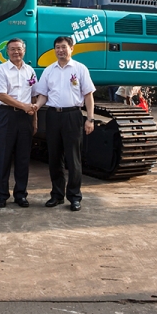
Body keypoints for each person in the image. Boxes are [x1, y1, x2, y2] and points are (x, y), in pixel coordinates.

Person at [33, 36, 95, 212]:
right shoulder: (49, 70)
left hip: (72, 115)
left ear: (71, 48)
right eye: (57, 47)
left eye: (63, 47)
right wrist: (36, 107)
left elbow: (88, 95)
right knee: (54, 157)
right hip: (53, 116)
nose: (60, 50)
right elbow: (43, 94)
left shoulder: (80, 69)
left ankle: (74, 197)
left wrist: (90, 119)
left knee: (73, 158)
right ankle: (57, 195)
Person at [0, 38, 38, 208]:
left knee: (23, 157)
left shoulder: (30, 71)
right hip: (7, 115)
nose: (15, 52)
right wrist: (23, 106)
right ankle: (2, 195)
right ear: (7, 52)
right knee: (4, 156)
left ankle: (21, 194)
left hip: (25, 117)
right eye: (12, 49)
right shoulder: (1, 69)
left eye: (18, 49)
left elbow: (34, 95)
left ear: (24, 51)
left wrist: (34, 119)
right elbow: (1, 95)